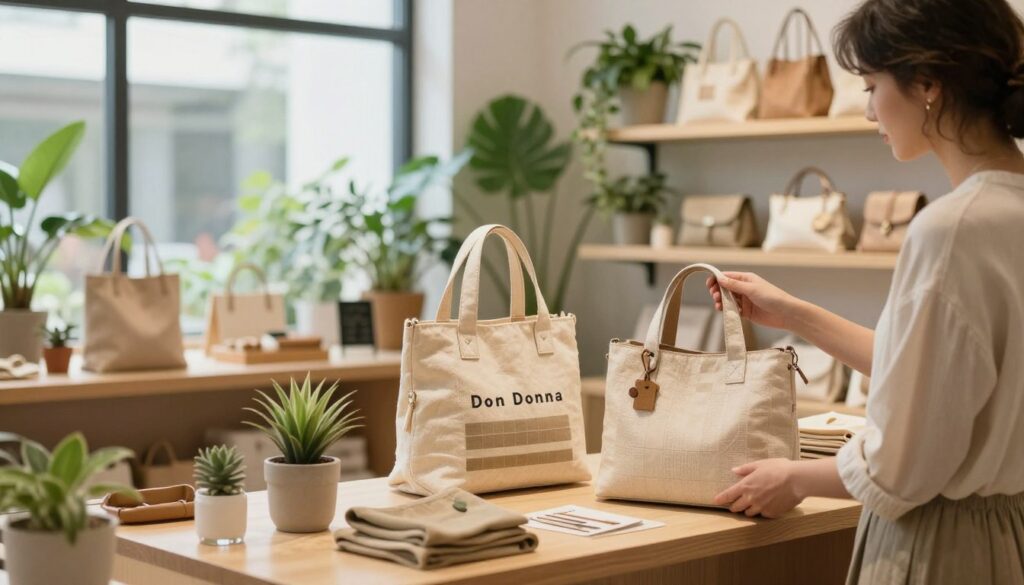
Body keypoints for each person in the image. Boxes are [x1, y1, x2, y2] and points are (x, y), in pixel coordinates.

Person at [704, 0, 1024, 582]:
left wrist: (796, 477)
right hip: (1007, 535)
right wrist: (795, 313)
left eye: (872, 84)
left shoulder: (952, 229)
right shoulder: (1007, 212)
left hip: (938, 546)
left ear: (928, 83)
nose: (867, 106)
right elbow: (941, 380)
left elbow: (906, 464)